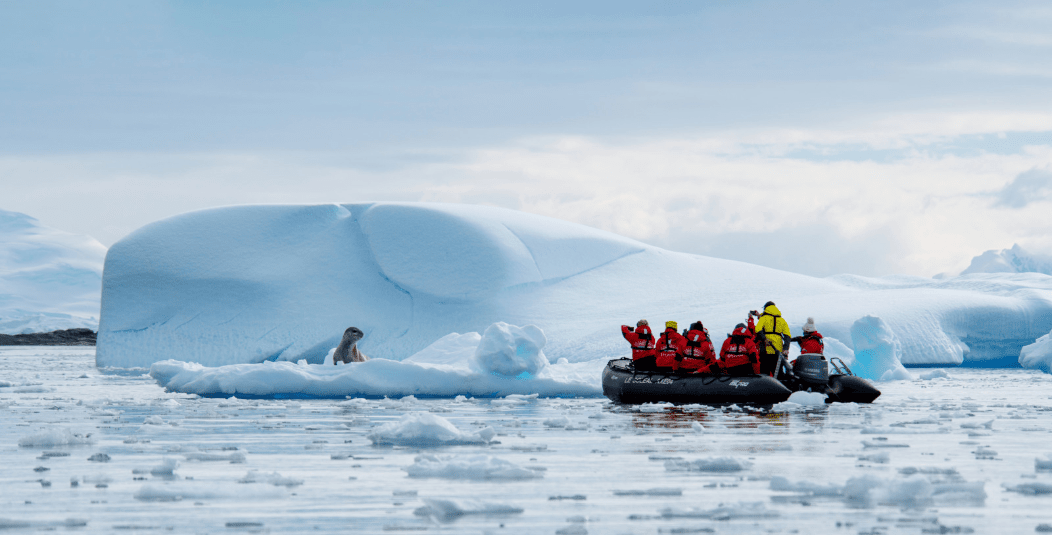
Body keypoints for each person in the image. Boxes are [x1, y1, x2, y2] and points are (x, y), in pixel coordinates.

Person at [754, 301, 791, 376]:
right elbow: (787, 335)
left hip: (765, 349)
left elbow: (757, 329)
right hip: (778, 350)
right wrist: (785, 348)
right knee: (778, 372)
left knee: (764, 372)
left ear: (766, 308)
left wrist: (764, 339)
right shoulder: (782, 320)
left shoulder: (764, 318)